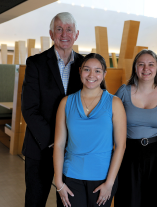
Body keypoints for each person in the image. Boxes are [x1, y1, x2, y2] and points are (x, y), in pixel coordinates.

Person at [21, 12, 84, 206]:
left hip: (73, 153)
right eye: (59, 29)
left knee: (68, 204)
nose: (64, 34)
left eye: (69, 29)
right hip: (41, 148)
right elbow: (29, 109)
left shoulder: (86, 65)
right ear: (51, 33)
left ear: (76, 34)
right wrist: (56, 142)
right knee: (35, 201)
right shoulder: (35, 63)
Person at [53, 53, 126, 207]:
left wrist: (110, 183)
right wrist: (58, 182)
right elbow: (59, 145)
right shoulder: (66, 102)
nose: (92, 75)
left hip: (102, 179)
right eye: (87, 69)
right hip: (70, 177)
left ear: (104, 74)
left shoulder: (115, 103)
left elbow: (120, 146)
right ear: (80, 71)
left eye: (98, 71)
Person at [114, 49, 157, 207]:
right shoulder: (123, 92)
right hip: (127, 153)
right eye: (141, 64)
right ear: (135, 67)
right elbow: (110, 123)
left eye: (151, 64)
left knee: (153, 201)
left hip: (156, 156)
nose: (146, 68)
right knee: (127, 199)